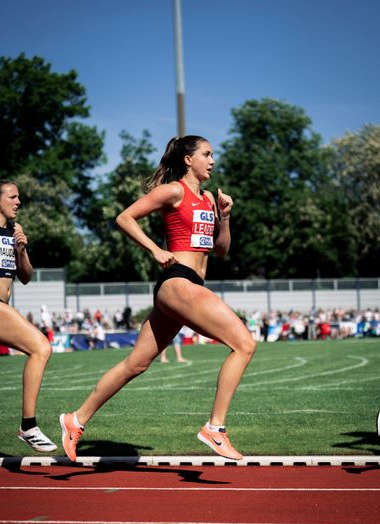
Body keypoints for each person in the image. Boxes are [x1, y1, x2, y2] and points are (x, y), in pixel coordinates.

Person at [60, 135, 256, 461]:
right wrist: (154, 249)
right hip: (177, 282)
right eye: (206, 154)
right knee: (245, 344)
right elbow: (124, 218)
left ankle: (75, 419)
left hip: (190, 284)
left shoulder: (208, 198)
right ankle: (215, 429)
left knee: (135, 363)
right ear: (188, 160)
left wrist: (224, 216)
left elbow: (221, 250)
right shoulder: (174, 191)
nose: (213, 160)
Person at [0, 180, 57, 452]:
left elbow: (25, 276)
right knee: (40, 347)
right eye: (12, 197)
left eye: (19, 197)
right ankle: (28, 426)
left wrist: (21, 250)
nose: (18, 201)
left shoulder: (16, 230)